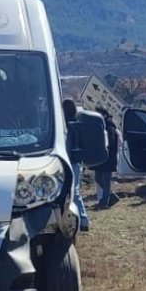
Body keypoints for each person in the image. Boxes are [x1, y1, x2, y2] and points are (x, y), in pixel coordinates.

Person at [61, 97, 90, 230]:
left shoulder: (67, 126)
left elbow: (67, 147)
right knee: (76, 191)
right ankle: (81, 220)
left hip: (70, 162)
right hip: (78, 162)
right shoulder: (78, 124)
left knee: (73, 192)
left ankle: (82, 221)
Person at [94, 106, 121, 209]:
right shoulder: (101, 125)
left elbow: (110, 141)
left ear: (103, 114)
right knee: (98, 179)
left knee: (105, 181)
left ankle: (104, 202)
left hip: (108, 158)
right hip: (101, 158)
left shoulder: (109, 125)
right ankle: (111, 197)